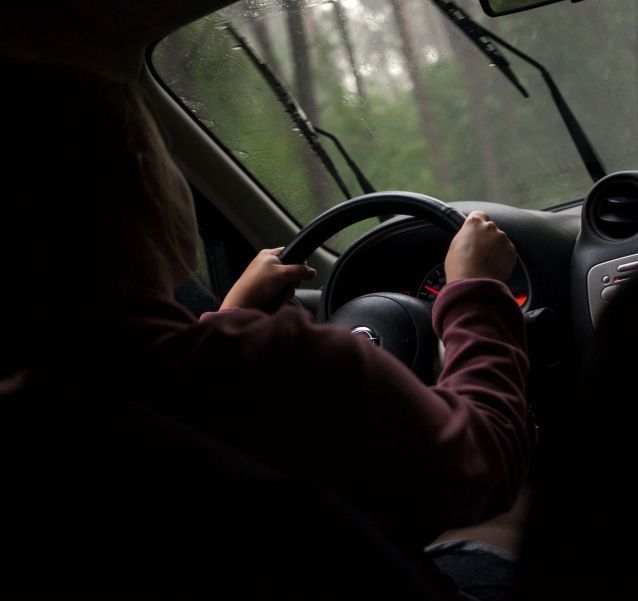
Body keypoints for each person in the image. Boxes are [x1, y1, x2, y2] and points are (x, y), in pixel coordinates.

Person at [0, 57, 530, 596]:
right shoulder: (282, 363)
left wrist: (229, 320)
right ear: (147, 181)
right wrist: (476, 292)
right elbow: (485, 460)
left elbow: (157, 386)